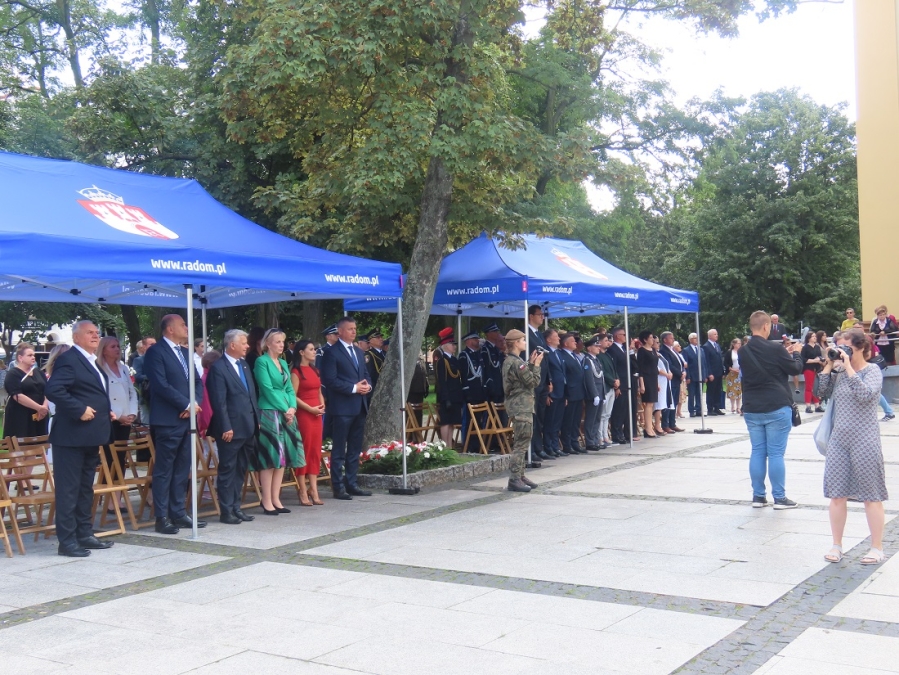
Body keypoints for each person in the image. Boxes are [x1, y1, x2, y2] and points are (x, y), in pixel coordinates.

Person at [816, 328, 889, 565]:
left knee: (871, 494)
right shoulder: (838, 372)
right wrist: (829, 365)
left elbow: (866, 396)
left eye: (845, 347)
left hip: (865, 440)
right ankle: (836, 545)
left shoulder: (873, 370)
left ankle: (877, 547)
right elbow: (821, 393)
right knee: (837, 494)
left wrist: (848, 367)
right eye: (838, 346)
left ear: (860, 347)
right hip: (839, 440)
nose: (841, 351)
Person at [44, 321, 114, 557]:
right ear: (76, 337)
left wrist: (105, 411)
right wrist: (79, 409)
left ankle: (84, 534)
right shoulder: (69, 359)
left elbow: (90, 392)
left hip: (90, 435)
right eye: (89, 333)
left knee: (85, 489)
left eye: (97, 333)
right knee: (69, 490)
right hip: (70, 436)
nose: (95, 336)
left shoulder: (92, 361)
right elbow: (53, 390)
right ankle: (67, 541)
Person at [145, 314, 205, 535]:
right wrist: (185, 404)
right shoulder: (156, 352)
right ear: (170, 329)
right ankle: (162, 516)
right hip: (168, 419)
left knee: (182, 467)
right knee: (165, 469)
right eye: (182, 324)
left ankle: (178, 512)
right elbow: (160, 385)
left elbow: (197, 381)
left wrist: (194, 404)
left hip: (187, 418)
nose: (187, 328)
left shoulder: (185, 352)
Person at [740, 311, 804, 510]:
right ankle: (780, 497)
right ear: (766, 326)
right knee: (776, 454)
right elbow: (795, 369)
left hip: (752, 407)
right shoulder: (775, 349)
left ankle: (758, 496)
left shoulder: (743, 351)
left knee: (757, 451)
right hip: (776, 405)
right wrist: (796, 352)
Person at [206, 329, 259, 525]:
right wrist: (225, 426)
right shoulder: (219, 368)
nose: (247, 346)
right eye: (244, 343)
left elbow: (251, 395)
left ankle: (236, 507)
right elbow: (218, 401)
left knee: (241, 468)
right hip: (230, 429)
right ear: (232, 345)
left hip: (248, 426)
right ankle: (226, 510)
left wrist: (256, 418)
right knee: (228, 469)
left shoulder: (243, 365)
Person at [320, 316, 373, 500]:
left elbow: (365, 374)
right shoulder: (332, 352)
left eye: (355, 328)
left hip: (359, 406)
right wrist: (353, 388)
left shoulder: (358, 351)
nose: (354, 332)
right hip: (342, 407)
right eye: (350, 329)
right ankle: (338, 486)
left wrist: (367, 386)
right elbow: (330, 380)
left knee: (354, 448)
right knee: (339, 449)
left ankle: (352, 483)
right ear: (340, 331)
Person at [252, 328, 304, 514]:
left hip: (286, 412)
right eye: (277, 341)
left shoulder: (282, 362)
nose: (281, 345)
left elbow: (289, 389)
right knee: (271, 456)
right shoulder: (261, 361)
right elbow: (266, 389)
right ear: (268, 344)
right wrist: (285, 408)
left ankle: (276, 498)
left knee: (282, 457)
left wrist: (292, 408)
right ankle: (266, 500)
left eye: (283, 341)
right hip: (269, 411)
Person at [501, 329, 543, 492]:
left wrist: (530, 364)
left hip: (520, 406)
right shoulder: (516, 362)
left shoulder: (513, 361)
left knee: (523, 442)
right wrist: (536, 366)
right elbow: (533, 382)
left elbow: (522, 379)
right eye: (523, 340)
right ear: (516, 343)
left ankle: (520, 475)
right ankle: (514, 479)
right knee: (521, 443)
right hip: (521, 407)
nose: (525, 342)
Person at [291, 340, 326, 506]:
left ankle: (314, 489)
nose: (314, 352)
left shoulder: (315, 370)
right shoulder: (296, 372)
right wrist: (310, 409)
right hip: (305, 414)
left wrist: (322, 404)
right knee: (304, 450)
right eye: (311, 349)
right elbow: (293, 396)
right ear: (301, 352)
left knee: (315, 450)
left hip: (317, 414)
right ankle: (302, 489)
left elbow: (319, 391)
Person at [3, 342, 50, 439]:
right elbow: (17, 395)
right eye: (29, 355)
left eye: (33, 355)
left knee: (41, 442)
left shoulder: (39, 372)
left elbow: (47, 390)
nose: (33, 357)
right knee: (23, 443)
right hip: (21, 415)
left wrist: (44, 407)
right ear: (20, 358)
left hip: (40, 415)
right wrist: (38, 407)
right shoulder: (13, 374)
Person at [98, 337, 138, 444]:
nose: (117, 349)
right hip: (109, 418)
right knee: (110, 451)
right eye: (112, 347)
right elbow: (100, 395)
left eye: (118, 346)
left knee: (122, 450)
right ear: (104, 350)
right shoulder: (99, 369)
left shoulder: (123, 368)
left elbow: (132, 392)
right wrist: (118, 415)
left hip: (126, 419)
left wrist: (132, 413)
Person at [434, 328, 463, 446]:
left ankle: (450, 446)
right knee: (445, 422)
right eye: (452, 344)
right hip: (447, 396)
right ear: (445, 345)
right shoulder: (442, 361)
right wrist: (446, 398)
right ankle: (445, 445)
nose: (454, 346)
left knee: (452, 422)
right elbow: (442, 381)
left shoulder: (454, 360)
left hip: (455, 395)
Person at [559, 332, 587, 453]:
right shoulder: (562, 355)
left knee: (576, 420)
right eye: (572, 341)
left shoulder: (574, 355)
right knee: (568, 420)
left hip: (578, 392)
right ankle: (567, 444)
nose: (575, 343)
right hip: (570, 392)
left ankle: (574, 442)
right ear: (565, 344)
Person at [608, 327, 635, 444]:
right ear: (617, 336)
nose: (625, 336)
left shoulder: (623, 348)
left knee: (624, 411)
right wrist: (617, 386)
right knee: (618, 411)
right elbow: (614, 368)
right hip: (620, 383)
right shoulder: (612, 349)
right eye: (623, 335)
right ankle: (616, 434)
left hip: (627, 383)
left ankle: (622, 433)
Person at [543, 328, 567, 456]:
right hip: (552, 392)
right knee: (550, 421)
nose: (559, 338)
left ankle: (555, 446)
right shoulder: (546, 353)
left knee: (557, 421)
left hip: (561, 391)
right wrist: (547, 393)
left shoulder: (559, 353)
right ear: (548, 339)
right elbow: (547, 372)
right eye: (556, 336)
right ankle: (548, 447)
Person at [458, 331, 486, 444]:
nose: (477, 341)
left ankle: (478, 443)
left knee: (479, 419)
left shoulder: (478, 354)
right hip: (470, 391)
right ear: (468, 341)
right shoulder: (464, 355)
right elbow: (464, 374)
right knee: (469, 420)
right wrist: (466, 391)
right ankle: (468, 444)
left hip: (479, 391)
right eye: (475, 339)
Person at [582, 335, 606, 451]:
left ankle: (595, 440)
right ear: (589, 348)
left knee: (597, 418)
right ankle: (590, 441)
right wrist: (594, 394)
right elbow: (589, 379)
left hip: (599, 393)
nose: (598, 348)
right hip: (594, 394)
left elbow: (601, 379)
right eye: (596, 346)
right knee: (591, 418)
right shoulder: (587, 360)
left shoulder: (596, 360)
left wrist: (603, 394)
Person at [595, 332, 618, 448]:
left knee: (607, 414)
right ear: (598, 343)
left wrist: (617, 379)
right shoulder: (599, 356)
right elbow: (603, 371)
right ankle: (600, 437)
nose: (608, 342)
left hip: (612, 387)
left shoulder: (608, 355)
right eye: (605, 340)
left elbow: (613, 369)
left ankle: (605, 436)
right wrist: (612, 381)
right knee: (602, 414)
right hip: (606, 387)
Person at [636, 331, 661, 438]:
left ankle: (650, 427)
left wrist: (657, 382)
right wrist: (641, 384)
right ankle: (648, 428)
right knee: (648, 403)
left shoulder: (653, 350)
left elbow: (655, 367)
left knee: (652, 403)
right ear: (645, 339)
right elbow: (640, 369)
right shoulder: (642, 351)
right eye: (650, 338)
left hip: (653, 378)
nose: (652, 339)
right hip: (646, 378)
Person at [658, 332, 685, 432]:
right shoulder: (663, 351)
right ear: (665, 340)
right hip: (671, 379)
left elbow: (680, 363)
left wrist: (683, 371)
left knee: (675, 402)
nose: (673, 339)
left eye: (673, 338)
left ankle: (672, 423)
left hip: (677, 379)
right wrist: (680, 373)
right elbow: (669, 365)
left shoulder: (672, 350)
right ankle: (665, 424)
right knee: (669, 402)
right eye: (671, 338)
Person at [682, 333, 709, 417]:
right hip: (692, 376)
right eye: (695, 338)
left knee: (699, 394)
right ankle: (691, 410)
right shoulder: (686, 350)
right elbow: (686, 364)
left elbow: (704, 363)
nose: (697, 339)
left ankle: (699, 410)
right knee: (692, 394)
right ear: (690, 340)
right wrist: (688, 377)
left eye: (697, 338)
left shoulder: (701, 350)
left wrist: (705, 375)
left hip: (701, 376)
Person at [196, 350, 222, 438]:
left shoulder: (206, 378)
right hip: (211, 428)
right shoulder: (208, 380)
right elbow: (206, 407)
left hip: (211, 425)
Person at [702, 329, 726, 416]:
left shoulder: (717, 345)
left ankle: (717, 407)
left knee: (718, 390)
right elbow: (707, 361)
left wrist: (723, 372)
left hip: (719, 372)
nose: (717, 335)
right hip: (712, 373)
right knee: (711, 391)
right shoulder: (706, 346)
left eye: (717, 334)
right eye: (715, 334)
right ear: (710, 336)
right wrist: (709, 373)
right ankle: (710, 408)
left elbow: (720, 359)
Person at [800, 332, 825, 414]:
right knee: (809, 387)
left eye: (815, 336)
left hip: (816, 369)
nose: (815, 337)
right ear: (808, 338)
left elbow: (819, 356)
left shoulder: (817, 347)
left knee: (816, 387)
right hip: (808, 368)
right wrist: (814, 360)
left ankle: (817, 405)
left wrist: (820, 360)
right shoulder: (805, 347)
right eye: (812, 336)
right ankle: (808, 406)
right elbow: (803, 359)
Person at [133, 336, 155, 424]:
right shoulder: (139, 360)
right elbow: (137, 376)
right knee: (146, 424)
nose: (154, 346)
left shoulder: (161, 359)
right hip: (146, 396)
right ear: (144, 346)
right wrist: (153, 376)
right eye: (151, 344)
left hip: (159, 398)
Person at [655, 345, 675, 434]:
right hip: (659, 380)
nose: (658, 344)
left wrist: (669, 372)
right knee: (659, 404)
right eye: (656, 342)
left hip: (666, 381)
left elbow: (666, 365)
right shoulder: (652, 354)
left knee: (665, 402)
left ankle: (666, 424)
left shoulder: (659, 354)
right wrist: (666, 374)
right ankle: (658, 425)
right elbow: (657, 368)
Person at [723, 338, 744, 415]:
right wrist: (731, 369)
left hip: (739, 373)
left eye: (740, 343)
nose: (739, 345)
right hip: (731, 373)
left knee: (739, 390)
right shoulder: (730, 352)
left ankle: (738, 407)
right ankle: (732, 406)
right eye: (738, 343)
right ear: (734, 344)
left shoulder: (741, 352)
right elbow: (726, 363)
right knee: (732, 390)